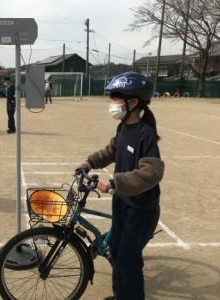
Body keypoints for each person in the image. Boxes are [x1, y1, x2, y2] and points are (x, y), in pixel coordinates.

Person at [76, 72, 164, 300]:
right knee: (117, 252)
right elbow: (112, 151)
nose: (112, 103)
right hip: (122, 202)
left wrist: (116, 182)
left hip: (141, 208)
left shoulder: (145, 134)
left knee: (127, 259)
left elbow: (152, 172)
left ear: (133, 102)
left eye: (116, 98)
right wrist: (90, 161)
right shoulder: (123, 128)